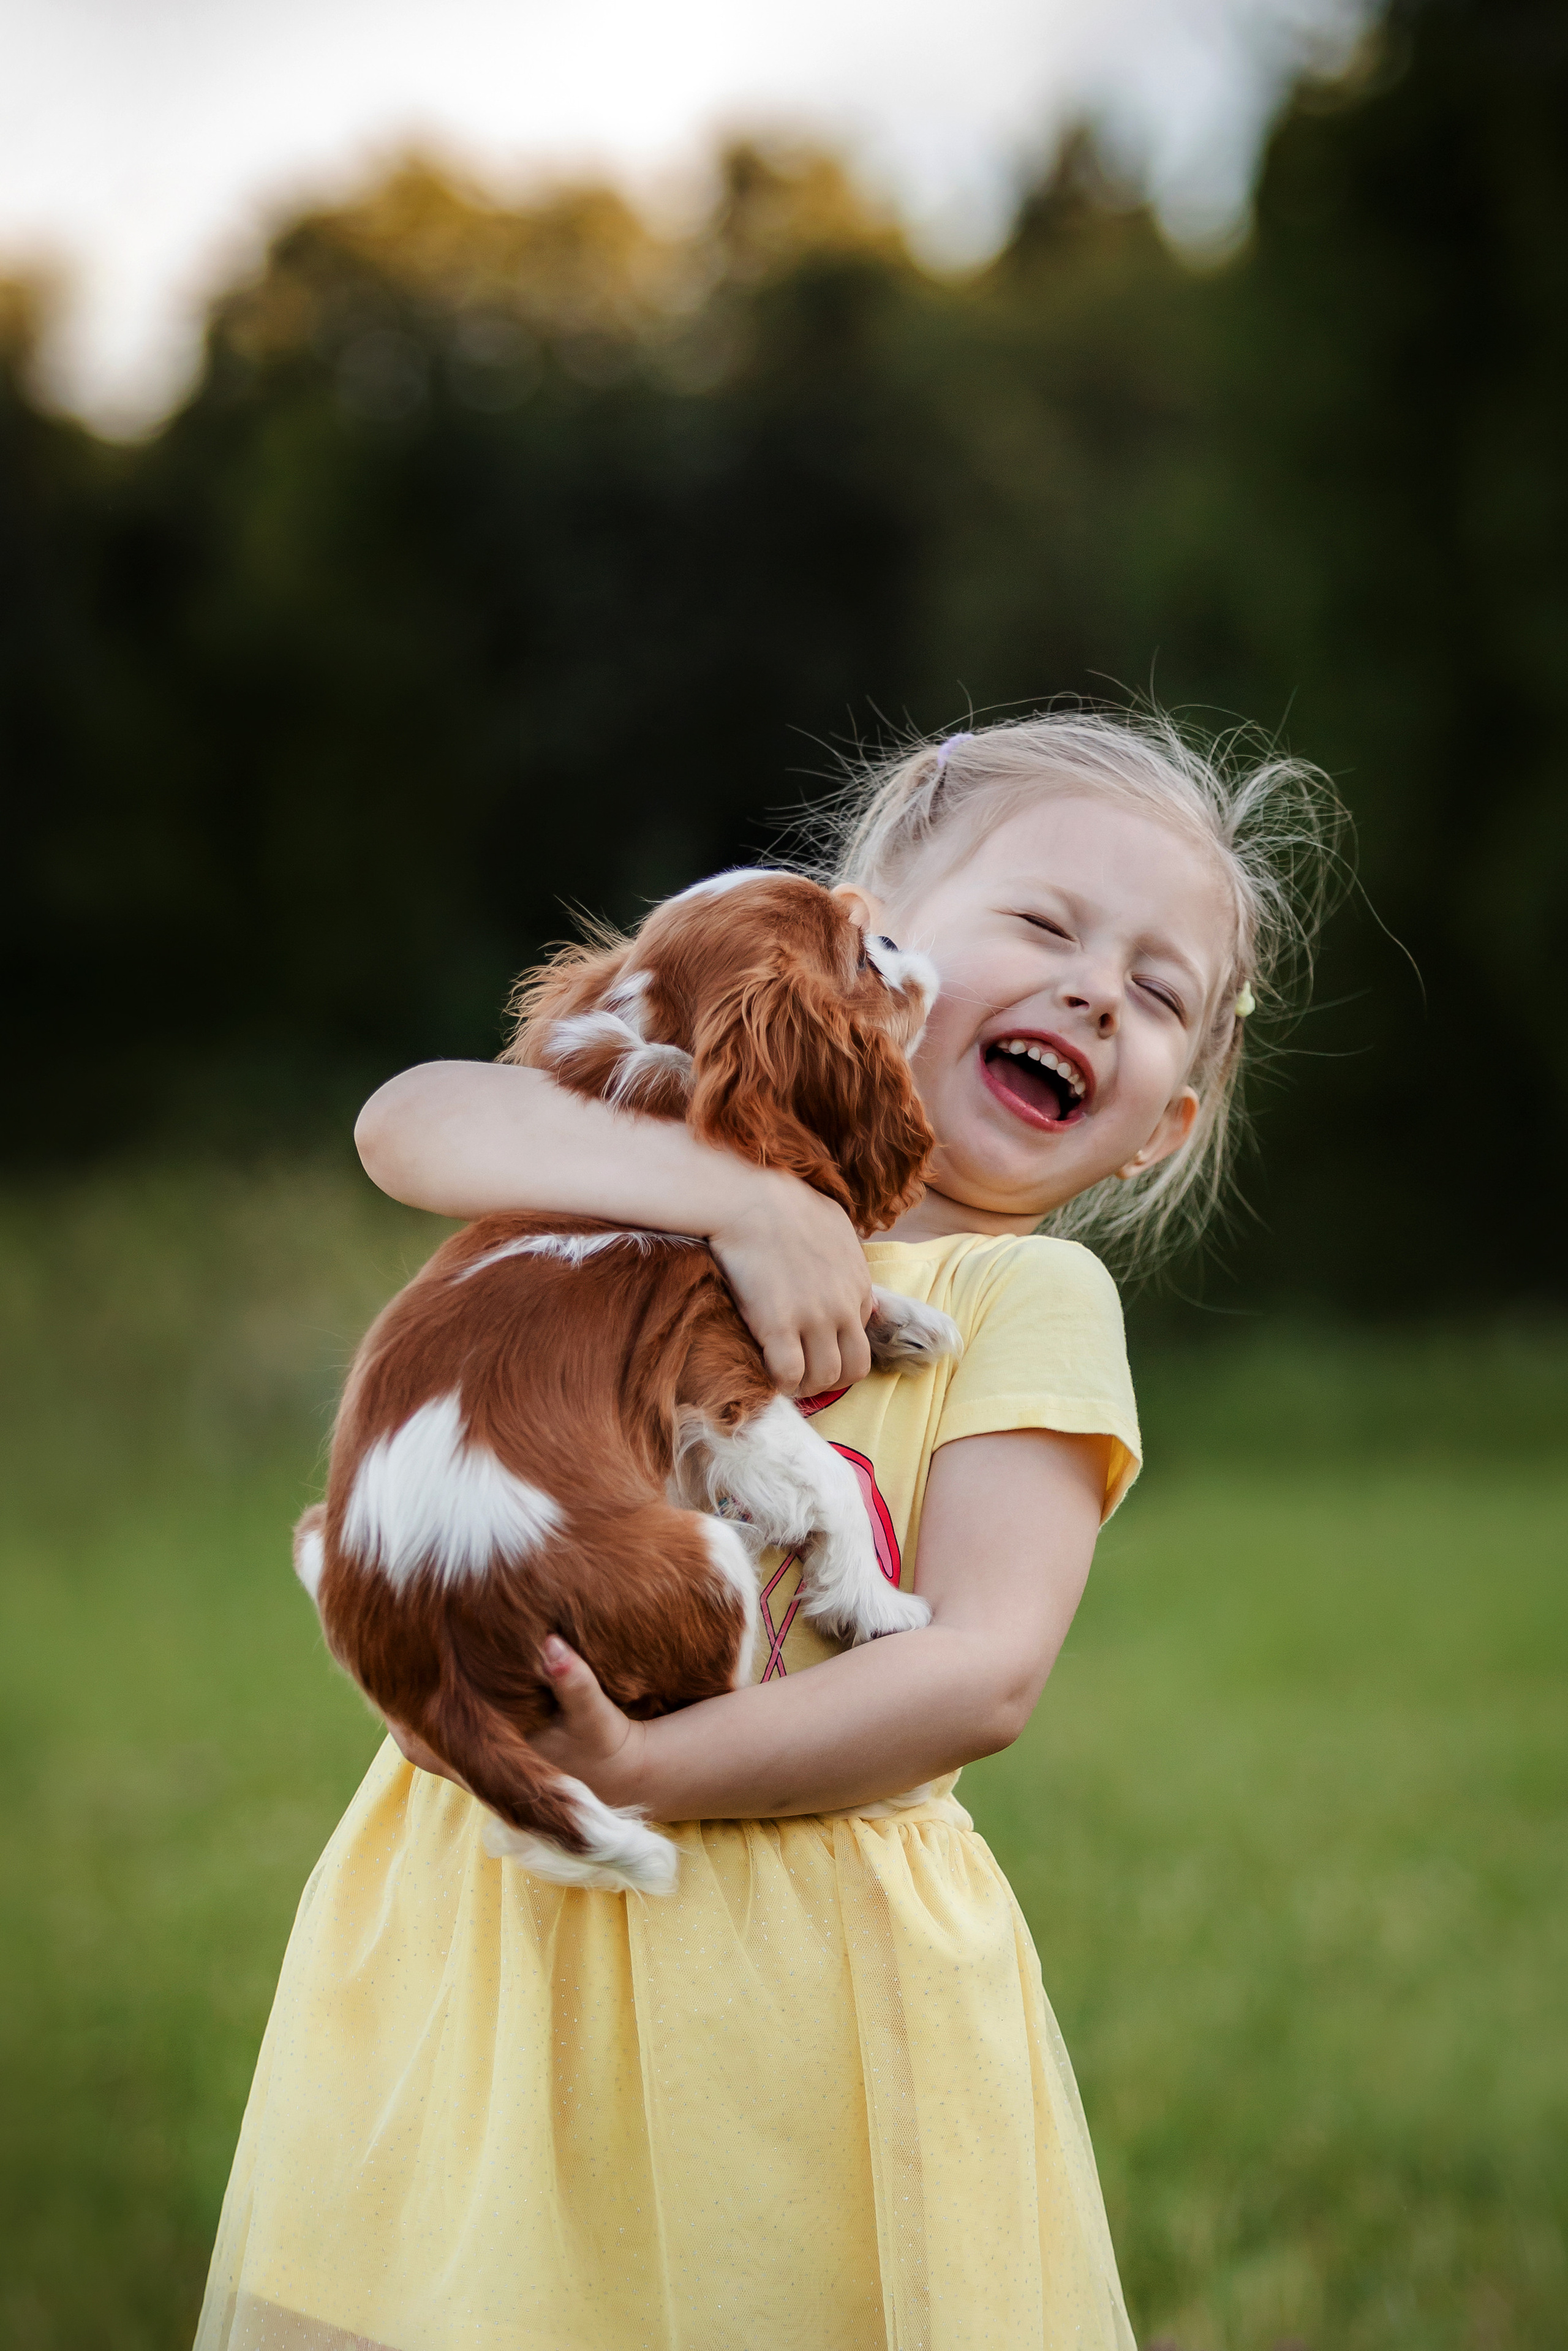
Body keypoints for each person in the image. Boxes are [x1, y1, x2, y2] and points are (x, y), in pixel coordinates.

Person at [195, 710, 1336, 2351]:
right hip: (498, 1932)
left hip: (789, 1989)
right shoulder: (658, 1164)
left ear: (1160, 1121)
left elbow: (981, 1674)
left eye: (1161, 996)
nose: (1099, 990)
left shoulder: (1026, 1293)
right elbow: (407, 1123)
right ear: (864, 937)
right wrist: (746, 1200)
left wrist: (646, 1774)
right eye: (1045, 924)